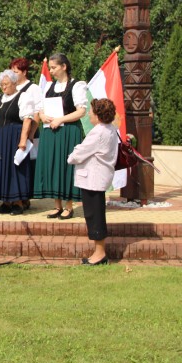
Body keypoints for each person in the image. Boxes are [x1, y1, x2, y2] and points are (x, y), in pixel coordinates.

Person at [33, 53, 87, 219]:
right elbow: (40, 108)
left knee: (66, 166)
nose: (51, 71)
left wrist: (61, 119)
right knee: (52, 165)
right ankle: (57, 205)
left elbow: (81, 111)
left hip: (68, 131)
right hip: (51, 131)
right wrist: (43, 116)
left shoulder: (76, 85)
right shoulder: (49, 86)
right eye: (50, 68)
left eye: (54, 67)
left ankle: (69, 206)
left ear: (64, 66)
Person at [67, 98, 119, 265]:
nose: (88, 113)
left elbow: (79, 153)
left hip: (93, 179)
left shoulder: (98, 132)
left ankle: (100, 253)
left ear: (98, 114)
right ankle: (98, 252)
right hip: (98, 178)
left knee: (94, 216)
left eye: (91, 111)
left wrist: (71, 155)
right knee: (96, 214)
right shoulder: (110, 129)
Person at [0, 70, 39, 215]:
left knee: (15, 169)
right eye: (1, 85)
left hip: (13, 137)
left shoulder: (23, 97)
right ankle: (5, 202)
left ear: (15, 83)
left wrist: (23, 140)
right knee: (0, 168)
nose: (3, 87)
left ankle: (18, 202)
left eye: (6, 84)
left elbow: (27, 120)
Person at [9, 57, 43, 209]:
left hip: (29, 132)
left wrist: (31, 134)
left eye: (16, 72)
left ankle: (25, 197)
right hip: (13, 133)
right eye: (12, 71)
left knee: (27, 164)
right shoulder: (11, 87)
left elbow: (37, 112)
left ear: (24, 72)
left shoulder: (33, 88)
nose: (13, 74)